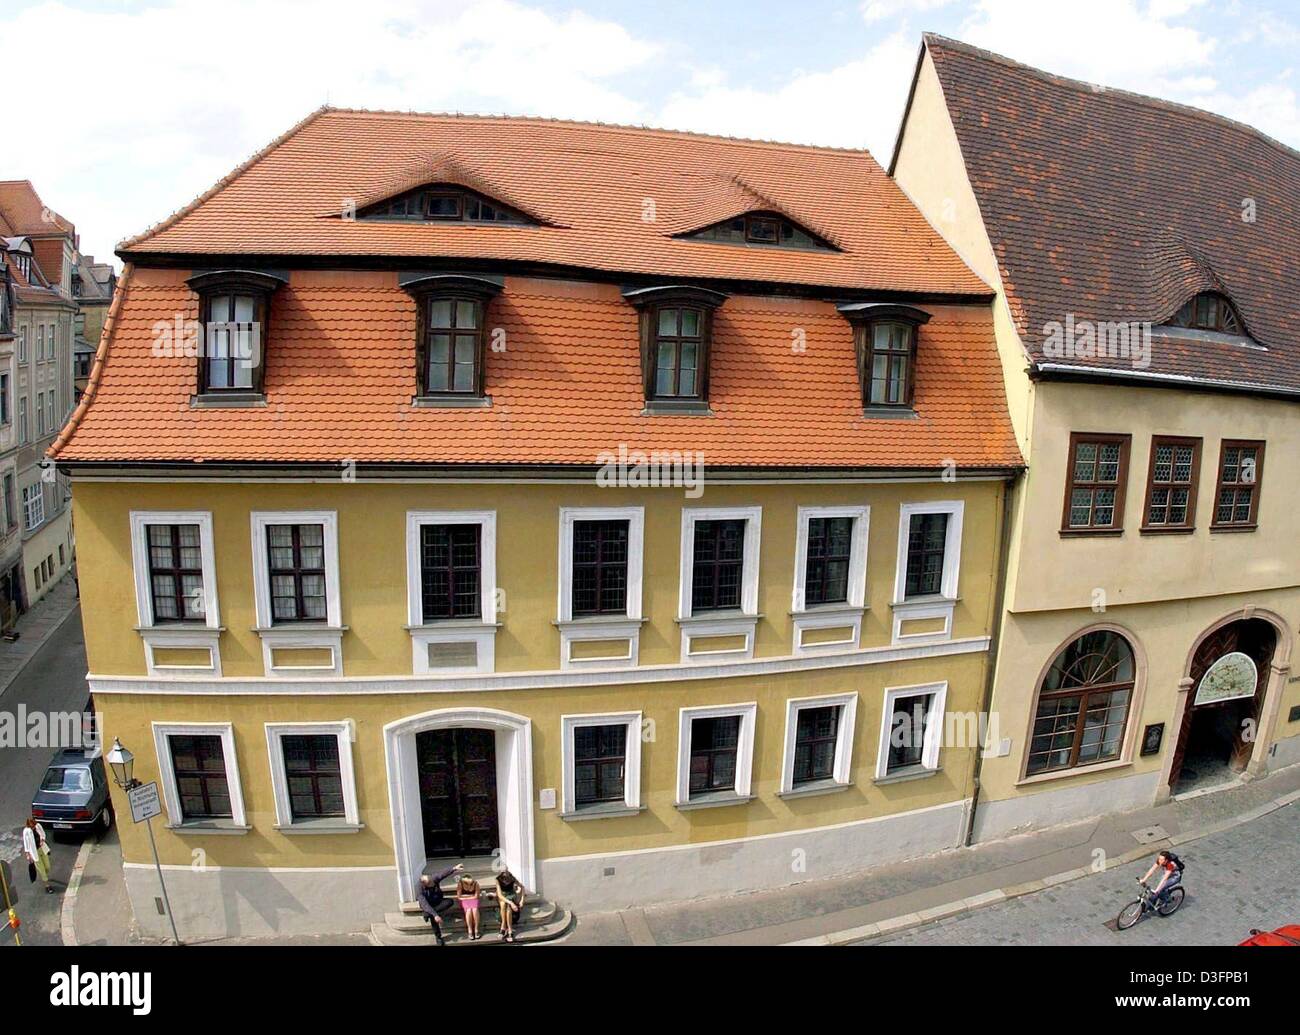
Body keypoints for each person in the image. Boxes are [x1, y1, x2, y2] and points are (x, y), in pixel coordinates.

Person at [417, 862, 464, 945]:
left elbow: (442, 874)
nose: (434, 883)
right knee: (433, 917)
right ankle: (438, 937)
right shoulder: (420, 891)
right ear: (425, 884)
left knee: (450, 902)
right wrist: (435, 915)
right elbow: (425, 904)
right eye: (431, 884)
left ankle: (427, 914)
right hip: (428, 904)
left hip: (438, 901)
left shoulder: (433, 879)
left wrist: (454, 868)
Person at [22, 818, 53, 894]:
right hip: (34, 852)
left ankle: (45, 876)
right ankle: (47, 886)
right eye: (32, 826)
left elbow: (43, 834)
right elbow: (26, 843)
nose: (33, 827)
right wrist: (28, 855)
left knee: (47, 866)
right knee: (42, 869)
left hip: (42, 849)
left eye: (34, 826)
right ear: (28, 825)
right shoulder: (26, 831)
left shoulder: (38, 826)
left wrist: (42, 840)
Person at [495, 868, 526, 942]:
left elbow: (522, 887)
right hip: (503, 896)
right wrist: (511, 903)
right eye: (502, 872)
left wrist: (522, 900)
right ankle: (505, 927)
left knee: (507, 906)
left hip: (511, 894)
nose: (504, 874)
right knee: (503, 904)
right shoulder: (498, 879)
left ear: (508, 871)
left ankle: (508, 929)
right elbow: (499, 894)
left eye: (505, 872)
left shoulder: (512, 878)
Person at [456, 872, 483, 940]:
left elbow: (476, 896)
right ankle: (470, 929)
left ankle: (476, 929)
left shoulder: (476, 883)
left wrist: (465, 896)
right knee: (468, 910)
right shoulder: (460, 884)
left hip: (473, 901)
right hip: (465, 901)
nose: (468, 884)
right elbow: (459, 897)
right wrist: (471, 896)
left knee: (475, 910)